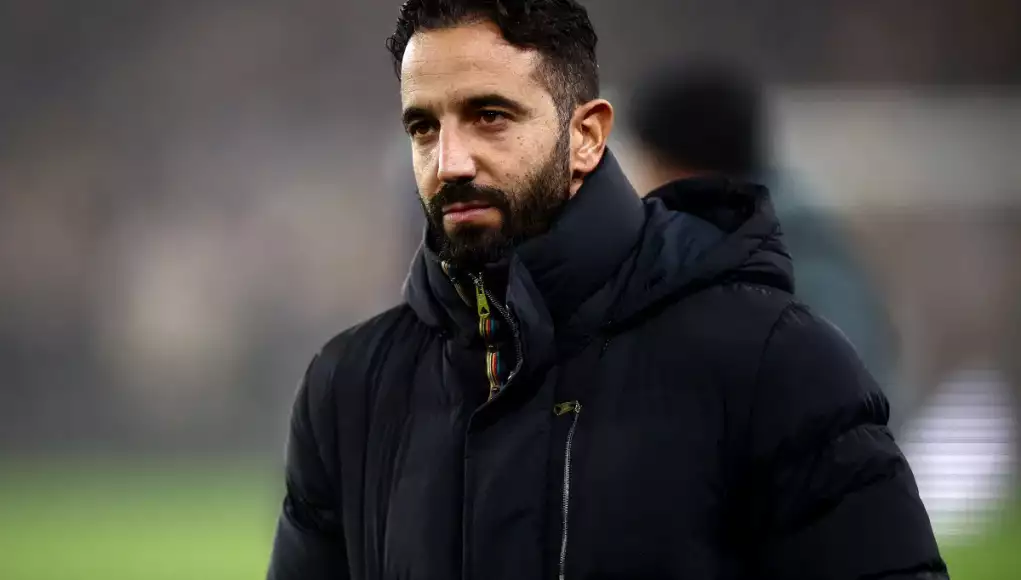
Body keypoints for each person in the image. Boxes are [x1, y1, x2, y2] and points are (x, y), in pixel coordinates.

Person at [267, 1, 946, 579]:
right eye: (424, 127)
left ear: (587, 136)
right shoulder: (348, 389)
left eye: (489, 116)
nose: (450, 162)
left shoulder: (773, 360)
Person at [626, 61, 907, 428]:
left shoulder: (792, 261)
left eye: (651, 166)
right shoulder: (750, 243)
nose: (642, 186)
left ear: (685, 172)